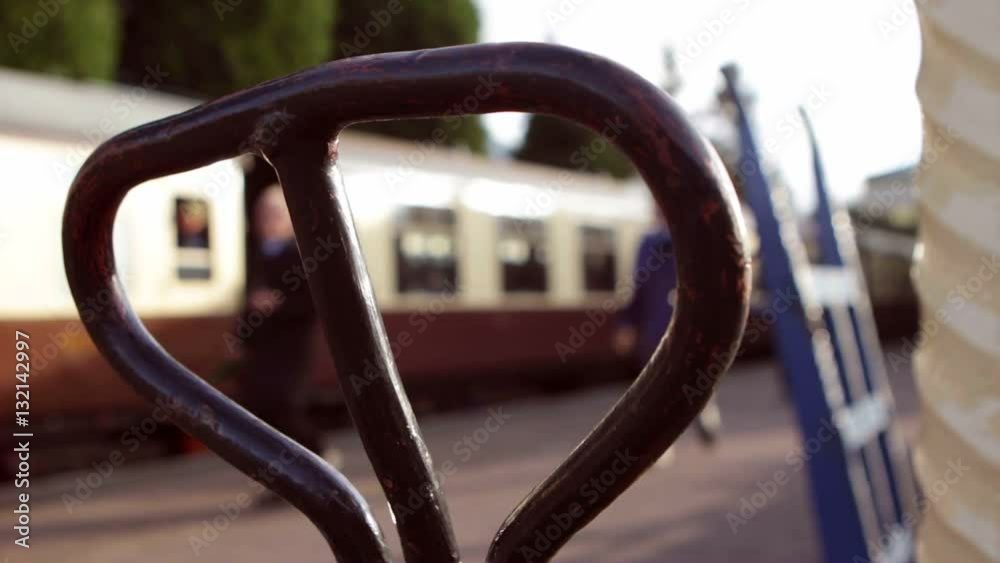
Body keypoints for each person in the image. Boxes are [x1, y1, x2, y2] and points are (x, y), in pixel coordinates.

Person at [239, 185, 336, 467]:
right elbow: (249, 303)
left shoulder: (301, 257)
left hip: (291, 349)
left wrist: (276, 305)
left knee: (284, 406)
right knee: (261, 409)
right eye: (261, 215)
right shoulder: (256, 256)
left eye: (273, 215)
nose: (265, 221)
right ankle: (281, 473)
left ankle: (317, 456)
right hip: (262, 351)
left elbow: (312, 304)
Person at [615, 209, 721, 445]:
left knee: (689, 379)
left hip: (682, 328)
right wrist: (627, 323)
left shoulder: (696, 241)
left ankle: (700, 413)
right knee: (657, 386)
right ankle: (660, 441)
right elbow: (639, 287)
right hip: (658, 329)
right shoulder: (651, 244)